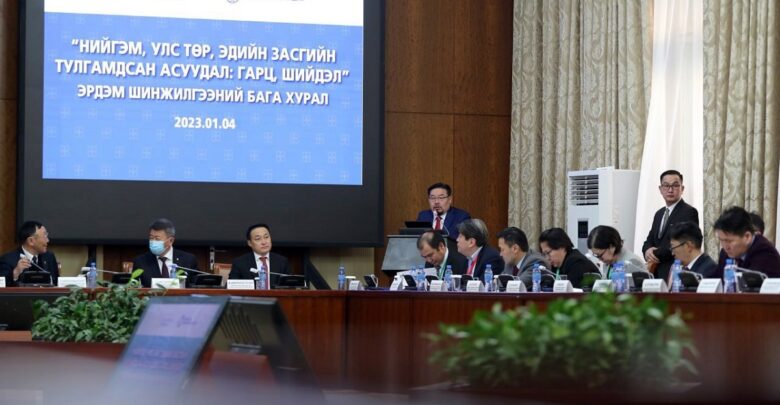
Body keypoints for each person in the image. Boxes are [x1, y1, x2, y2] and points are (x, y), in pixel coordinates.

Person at [641, 170, 699, 284]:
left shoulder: (689, 212)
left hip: (675, 273)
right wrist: (647, 251)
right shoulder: (659, 214)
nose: (670, 190)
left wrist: (654, 254)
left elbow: (682, 243)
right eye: (666, 185)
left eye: (675, 185)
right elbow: (650, 240)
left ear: (682, 188)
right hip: (655, 273)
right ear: (660, 189)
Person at [714, 206, 780, 278]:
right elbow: (717, 279)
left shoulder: (765, 253)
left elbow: (750, 283)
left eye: (729, 241)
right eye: (721, 240)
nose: (725, 246)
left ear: (747, 237)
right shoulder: (725, 253)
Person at [132, 218, 199, 288]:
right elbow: (133, 288)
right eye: (151, 238)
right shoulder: (140, 262)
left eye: (157, 239)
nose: (153, 242)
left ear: (171, 241)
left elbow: (197, 286)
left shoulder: (188, 260)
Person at [229, 223, 290, 288]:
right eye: (258, 239)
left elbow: (290, 287)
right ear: (250, 243)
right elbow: (230, 287)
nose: (264, 242)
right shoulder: (240, 263)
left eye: (266, 237)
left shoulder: (282, 262)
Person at [0, 221, 59, 286]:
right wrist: (15, 273)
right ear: (31, 241)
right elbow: (2, 286)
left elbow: (57, 283)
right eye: (44, 236)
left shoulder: (49, 257)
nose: (48, 240)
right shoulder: (8, 260)